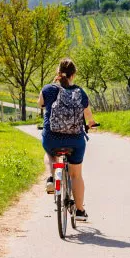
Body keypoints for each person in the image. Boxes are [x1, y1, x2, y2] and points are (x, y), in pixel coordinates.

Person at [40, 58, 96, 222]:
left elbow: (40, 103)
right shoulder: (80, 93)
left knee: (50, 154)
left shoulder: (48, 89)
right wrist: (91, 124)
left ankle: (52, 178)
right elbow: (89, 117)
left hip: (52, 138)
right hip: (75, 141)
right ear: (74, 74)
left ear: (58, 72)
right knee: (76, 174)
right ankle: (79, 211)